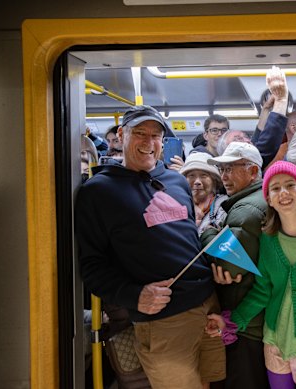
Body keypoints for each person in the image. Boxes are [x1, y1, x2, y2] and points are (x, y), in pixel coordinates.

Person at [75, 105, 225, 389]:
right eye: (140, 133)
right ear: (121, 135)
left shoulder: (177, 182)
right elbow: (91, 266)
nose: (149, 142)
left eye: (156, 135)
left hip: (208, 306)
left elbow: (188, 240)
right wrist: (134, 295)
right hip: (164, 320)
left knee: (211, 383)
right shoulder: (98, 192)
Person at [207, 161, 296, 389]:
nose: (283, 193)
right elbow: (262, 289)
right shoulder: (269, 238)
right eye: (275, 188)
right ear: (268, 198)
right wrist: (231, 322)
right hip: (275, 345)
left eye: (290, 185)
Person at [201, 141, 269, 389]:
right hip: (258, 320)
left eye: (231, 169)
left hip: (246, 320)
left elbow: (228, 266)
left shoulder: (246, 210)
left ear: (253, 171)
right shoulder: (260, 199)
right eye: (222, 170)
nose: (224, 177)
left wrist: (208, 233)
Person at [179, 152, 228, 236]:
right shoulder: (176, 206)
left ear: (214, 181)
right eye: (191, 176)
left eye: (203, 176)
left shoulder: (225, 207)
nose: (197, 182)